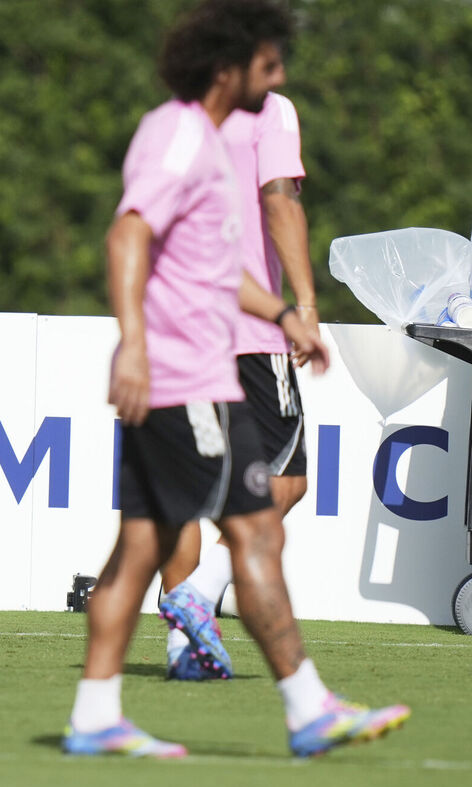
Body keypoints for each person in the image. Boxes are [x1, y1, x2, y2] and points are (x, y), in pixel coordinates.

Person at [62, 0, 409, 758]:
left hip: (197, 375)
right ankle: (309, 708)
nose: (278, 77)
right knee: (253, 531)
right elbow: (127, 234)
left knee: (138, 551)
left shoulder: (214, 142)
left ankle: (94, 716)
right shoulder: (181, 135)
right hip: (187, 379)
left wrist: (285, 314)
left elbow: (218, 271)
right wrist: (133, 346)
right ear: (228, 67)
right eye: (267, 64)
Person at [159, 86, 319, 681]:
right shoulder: (269, 110)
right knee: (287, 481)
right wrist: (303, 305)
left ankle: (184, 650)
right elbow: (279, 202)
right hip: (248, 330)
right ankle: (199, 593)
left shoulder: (178, 114)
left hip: (179, 325)